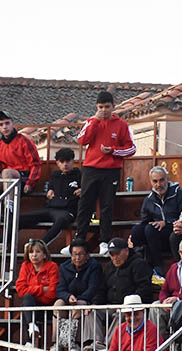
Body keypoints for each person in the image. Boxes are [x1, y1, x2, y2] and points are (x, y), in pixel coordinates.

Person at [73, 92, 135, 252]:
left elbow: (131, 148)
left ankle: (104, 241)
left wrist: (113, 151)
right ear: (96, 107)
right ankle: (79, 239)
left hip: (111, 170)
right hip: (91, 168)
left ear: (113, 107)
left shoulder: (121, 124)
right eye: (101, 107)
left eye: (107, 107)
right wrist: (95, 120)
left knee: (107, 206)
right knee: (85, 204)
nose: (104, 110)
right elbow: (81, 140)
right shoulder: (91, 121)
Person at [54, 238, 107, 351]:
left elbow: (93, 288)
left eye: (80, 254)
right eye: (74, 254)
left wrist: (78, 299)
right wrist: (68, 297)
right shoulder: (64, 267)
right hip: (69, 299)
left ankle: (75, 343)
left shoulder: (94, 266)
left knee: (79, 306)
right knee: (58, 304)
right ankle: (57, 342)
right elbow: (60, 289)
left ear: (87, 255)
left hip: (85, 300)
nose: (77, 258)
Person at [16, 146, 78, 242]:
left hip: (67, 211)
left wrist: (83, 190)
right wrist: (50, 189)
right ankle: (2, 243)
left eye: (68, 161)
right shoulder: (55, 175)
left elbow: (90, 189)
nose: (65, 164)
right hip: (51, 208)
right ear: (57, 163)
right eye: (62, 161)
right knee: (19, 219)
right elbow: (51, 187)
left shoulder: (80, 175)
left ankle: (41, 244)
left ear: (73, 161)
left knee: (61, 221)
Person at [130, 165, 182, 273]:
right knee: (137, 231)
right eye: (155, 181)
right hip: (155, 236)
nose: (158, 185)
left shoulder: (180, 194)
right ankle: (139, 267)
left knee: (150, 230)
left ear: (167, 179)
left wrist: (166, 223)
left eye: (161, 180)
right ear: (151, 182)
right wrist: (132, 235)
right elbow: (145, 221)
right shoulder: (149, 199)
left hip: (175, 231)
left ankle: (158, 267)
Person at [15, 239, 59, 345]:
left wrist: (32, 290)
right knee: (27, 299)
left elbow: (52, 293)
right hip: (31, 305)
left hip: (47, 307)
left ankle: (29, 342)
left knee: (27, 303)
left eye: (38, 252)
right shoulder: (25, 266)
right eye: (31, 252)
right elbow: (20, 290)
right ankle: (32, 327)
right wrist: (41, 289)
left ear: (44, 255)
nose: (34, 255)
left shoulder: (52, 266)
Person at [104, 237, 155, 305]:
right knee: (91, 313)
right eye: (112, 254)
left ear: (127, 251)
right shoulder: (108, 267)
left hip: (132, 307)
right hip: (109, 306)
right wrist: (96, 304)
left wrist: (129, 304)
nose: (115, 257)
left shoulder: (139, 264)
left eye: (117, 253)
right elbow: (101, 289)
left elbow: (144, 288)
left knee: (121, 315)